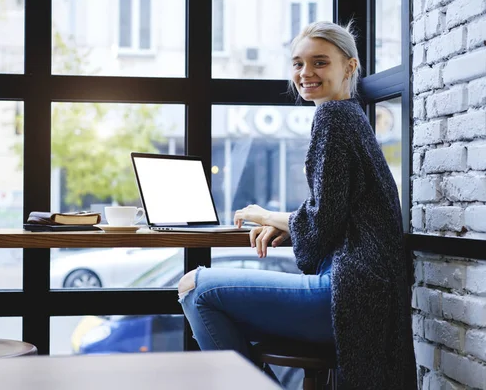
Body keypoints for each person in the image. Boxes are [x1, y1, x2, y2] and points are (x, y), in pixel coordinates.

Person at [178, 21, 417, 389]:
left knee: (196, 288)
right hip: (369, 294)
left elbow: (323, 220)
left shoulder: (333, 117)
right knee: (204, 291)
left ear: (349, 67)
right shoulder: (351, 116)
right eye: (297, 63)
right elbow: (335, 209)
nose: (306, 73)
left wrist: (266, 215)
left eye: (320, 63)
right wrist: (289, 222)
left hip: (348, 295)